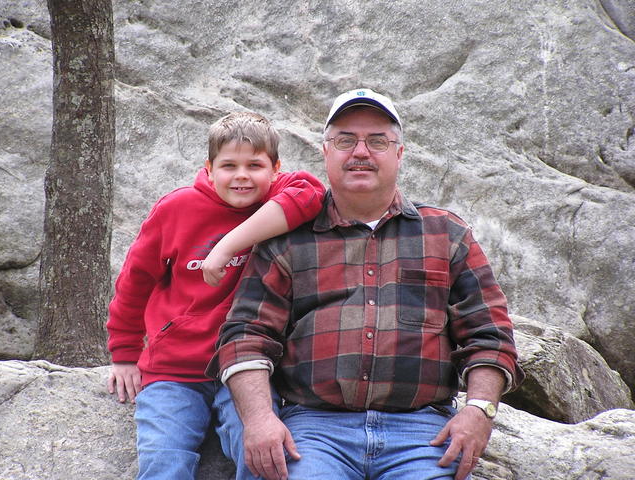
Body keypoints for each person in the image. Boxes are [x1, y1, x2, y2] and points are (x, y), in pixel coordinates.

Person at [207, 88, 525, 480]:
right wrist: (258, 420)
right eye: (345, 140)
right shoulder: (288, 239)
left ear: (400, 154)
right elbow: (244, 336)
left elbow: (490, 336)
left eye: (377, 141)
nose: (361, 151)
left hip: (423, 432)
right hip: (315, 431)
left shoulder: (447, 234)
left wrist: (479, 411)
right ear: (326, 152)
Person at [105, 111, 326, 479]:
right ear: (208, 169)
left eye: (254, 165)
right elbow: (134, 283)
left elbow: (312, 191)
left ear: (275, 170)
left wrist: (226, 246)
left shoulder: (275, 205)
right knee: (163, 459)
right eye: (229, 165)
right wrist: (125, 353)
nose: (241, 175)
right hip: (173, 371)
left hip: (246, 371)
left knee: (262, 455)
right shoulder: (176, 209)